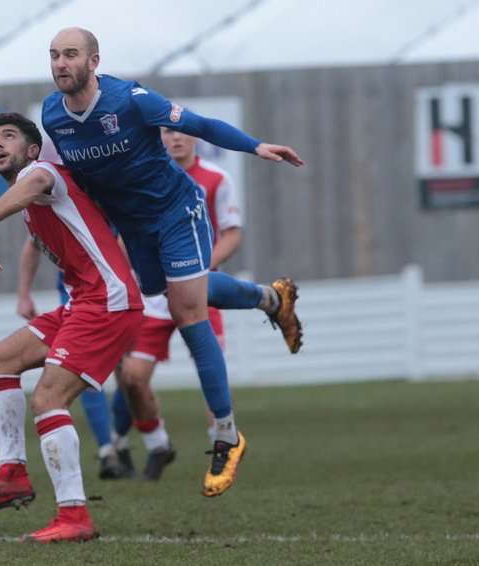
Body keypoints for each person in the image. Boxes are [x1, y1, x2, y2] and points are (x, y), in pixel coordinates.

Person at [43, 27, 304, 497]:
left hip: (176, 212)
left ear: (94, 61)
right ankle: (271, 298)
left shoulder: (132, 100)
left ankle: (226, 436)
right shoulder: (51, 115)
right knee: (175, 293)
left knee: (188, 313)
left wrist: (257, 146)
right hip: (134, 229)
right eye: (54, 55)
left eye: (70, 55)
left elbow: (199, 124)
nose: (61, 63)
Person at [0, 112, 143, 542]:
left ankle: (75, 518)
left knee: (48, 399)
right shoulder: (28, 200)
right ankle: (12, 475)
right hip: (84, 302)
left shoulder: (43, 174)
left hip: (108, 301)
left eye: (9, 137)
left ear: (33, 150)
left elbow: (37, 185)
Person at [112, 127, 244, 480]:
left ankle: (222, 447)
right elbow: (128, 234)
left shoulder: (216, 178)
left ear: (196, 139)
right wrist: (121, 274)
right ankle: (158, 445)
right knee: (133, 378)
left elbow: (232, 233)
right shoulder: (144, 178)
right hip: (154, 298)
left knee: (209, 370)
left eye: (182, 132)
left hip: (197, 291)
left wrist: (200, 267)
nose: (175, 139)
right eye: (167, 133)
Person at [16, 237, 129, 479]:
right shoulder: (57, 204)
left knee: (130, 374)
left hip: (118, 294)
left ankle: (120, 439)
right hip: (76, 298)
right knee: (80, 370)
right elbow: (34, 242)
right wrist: (24, 294)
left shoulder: (113, 203)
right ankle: (107, 450)